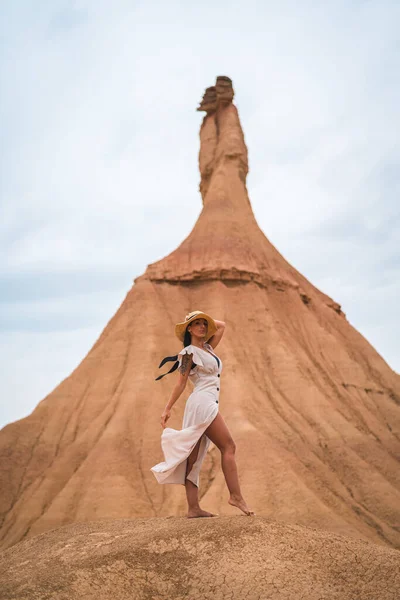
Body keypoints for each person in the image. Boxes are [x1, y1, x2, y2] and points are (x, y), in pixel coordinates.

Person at [151, 310, 254, 518]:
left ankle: (193, 508)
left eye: (204, 324)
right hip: (202, 404)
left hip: (208, 402)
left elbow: (222, 325)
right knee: (228, 446)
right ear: (189, 329)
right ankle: (236, 496)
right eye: (197, 324)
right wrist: (167, 408)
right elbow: (181, 383)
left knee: (193, 458)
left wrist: (202, 317)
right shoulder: (189, 353)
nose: (202, 327)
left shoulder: (207, 349)